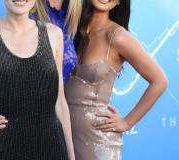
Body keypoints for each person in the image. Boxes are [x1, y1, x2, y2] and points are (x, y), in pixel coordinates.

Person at [0, 0, 75, 159]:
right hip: (3, 149)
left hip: (51, 148)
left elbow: (60, 101)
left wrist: (71, 156)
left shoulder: (54, 34)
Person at [65, 0, 168, 159]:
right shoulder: (70, 28)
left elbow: (160, 81)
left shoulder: (117, 36)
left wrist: (127, 122)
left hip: (98, 142)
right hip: (63, 136)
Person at [0, 0, 82, 136]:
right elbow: (7, 72)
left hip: (74, 120)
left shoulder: (79, 10)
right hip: (31, 127)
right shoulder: (25, 8)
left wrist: (120, 121)